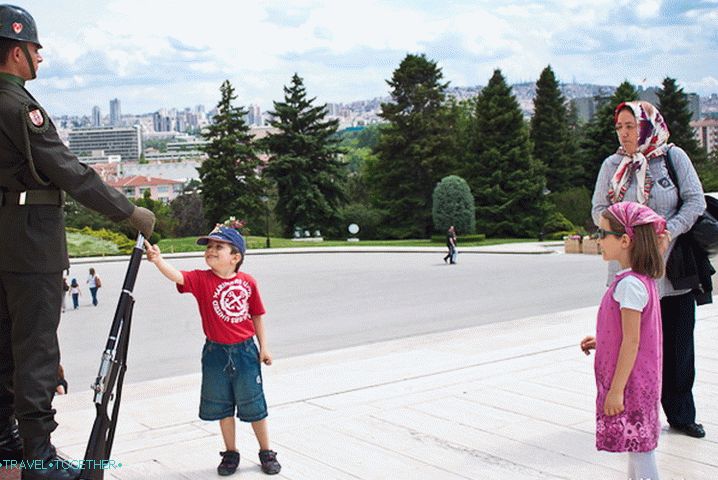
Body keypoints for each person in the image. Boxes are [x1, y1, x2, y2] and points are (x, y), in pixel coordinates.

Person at [0, 5, 155, 479]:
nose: (40, 57)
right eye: (35, 48)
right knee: (37, 350)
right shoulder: (17, 105)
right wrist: (129, 211)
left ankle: (7, 441)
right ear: (15, 49)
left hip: (5, 241)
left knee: (6, 346)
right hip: (31, 244)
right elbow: (67, 170)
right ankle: (38, 458)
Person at [591, 100, 707, 439]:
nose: (625, 134)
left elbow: (695, 200)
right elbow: (599, 209)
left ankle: (682, 413)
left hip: (671, 271)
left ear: (647, 127)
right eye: (620, 127)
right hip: (629, 275)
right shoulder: (612, 165)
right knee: (632, 345)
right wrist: (631, 233)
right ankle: (638, 410)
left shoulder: (673, 158)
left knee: (678, 346)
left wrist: (667, 230)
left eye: (631, 126)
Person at [144, 224, 281, 476]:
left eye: (219, 247)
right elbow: (178, 276)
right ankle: (231, 452)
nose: (211, 251)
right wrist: (158, 260)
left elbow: (257, 316)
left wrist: (264, 348)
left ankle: (266, 451)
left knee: (253, 404)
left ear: (235, 257)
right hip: (215, 354)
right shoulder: (201, 279)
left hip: (245, 352)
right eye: (209, 247)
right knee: (222, 405)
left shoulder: (248, 282)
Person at [581, 201, 666, 480]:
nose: (599, 240)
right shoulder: (638, 280)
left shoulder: (629, 285)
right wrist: (603, 340)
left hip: (630, 383)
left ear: (625, 240)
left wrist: (615, 391)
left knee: (641, 448)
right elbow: (628, 333)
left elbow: (631, 342)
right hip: (639, 380)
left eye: (603, 234)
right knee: (637, 445)